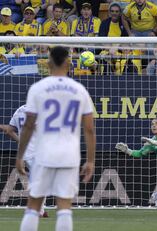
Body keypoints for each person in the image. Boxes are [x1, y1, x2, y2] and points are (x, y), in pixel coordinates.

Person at [17, 46, 96, 231]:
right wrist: (90, 160)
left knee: (33, 205)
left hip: (43, 153)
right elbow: (89, 129)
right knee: (64, 207)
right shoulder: (79, 90)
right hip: (69, 154)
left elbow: (28, 125)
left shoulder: (38, 88)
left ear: (49, 62)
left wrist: (20, 156)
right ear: (69, 63)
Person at [0, 105, 49, 217]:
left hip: (26, 153)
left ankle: (39, 209)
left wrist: (21, 141)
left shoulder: (19, 110)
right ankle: (38, 210)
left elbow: (9, 130)